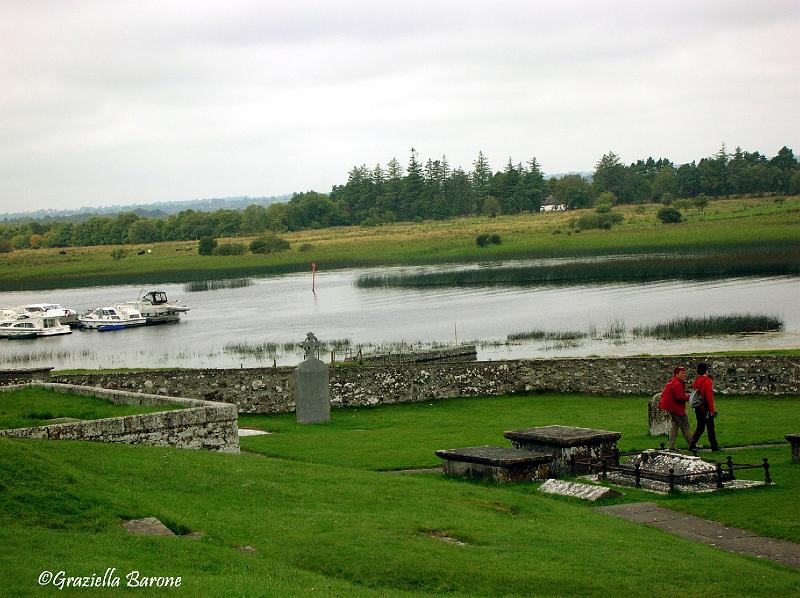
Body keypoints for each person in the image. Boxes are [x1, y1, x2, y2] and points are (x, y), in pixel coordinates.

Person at [658, 366, 693, 451]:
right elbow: (679, 397)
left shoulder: (673, 382)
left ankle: (671, 446)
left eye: (684, 373)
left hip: (671, 407)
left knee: (674, 426)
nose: (684, 375)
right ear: (676, 374)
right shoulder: (677, 383)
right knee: (685, 426)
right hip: (676, 408)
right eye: (682, 373)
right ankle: (691, 445)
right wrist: (688, 397)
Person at [688, 362, 719, 451]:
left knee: (700, 427)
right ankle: (714, 446)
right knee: (710, 428)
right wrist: (712, 409)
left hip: (698, 407)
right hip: (706, 408)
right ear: (706, 370)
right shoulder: (707, 381)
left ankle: (691, 444)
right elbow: (709, 397)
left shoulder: (696, 381)